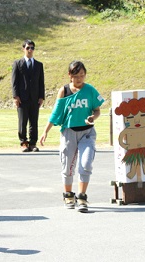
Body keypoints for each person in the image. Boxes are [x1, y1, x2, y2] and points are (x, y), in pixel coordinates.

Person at [40, 61, 104, 212]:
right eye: (76, 76)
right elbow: (56, 113)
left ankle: (82, 197)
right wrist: (45, 131)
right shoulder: (64, 91)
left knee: (86, 163)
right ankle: (68, 194)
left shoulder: (90, 90)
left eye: (82, 75)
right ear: (70, 76)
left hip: (87, 133)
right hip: (69, 132)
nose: (80, 79)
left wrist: (92, 118)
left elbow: (97, 110)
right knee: (68, 165)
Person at [12, 39, 45, 152]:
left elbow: (41, 82)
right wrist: (15, 96)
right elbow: (14, 81)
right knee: (22, 122)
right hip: (22, 98)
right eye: (28, 48)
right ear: (23, 49)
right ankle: (24, 142)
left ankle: (32, 143)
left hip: (35, 98)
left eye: (32, 48)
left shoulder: (39, 65)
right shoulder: (18, 63)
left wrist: (41, 97)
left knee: (34, 122)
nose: (30, 50)